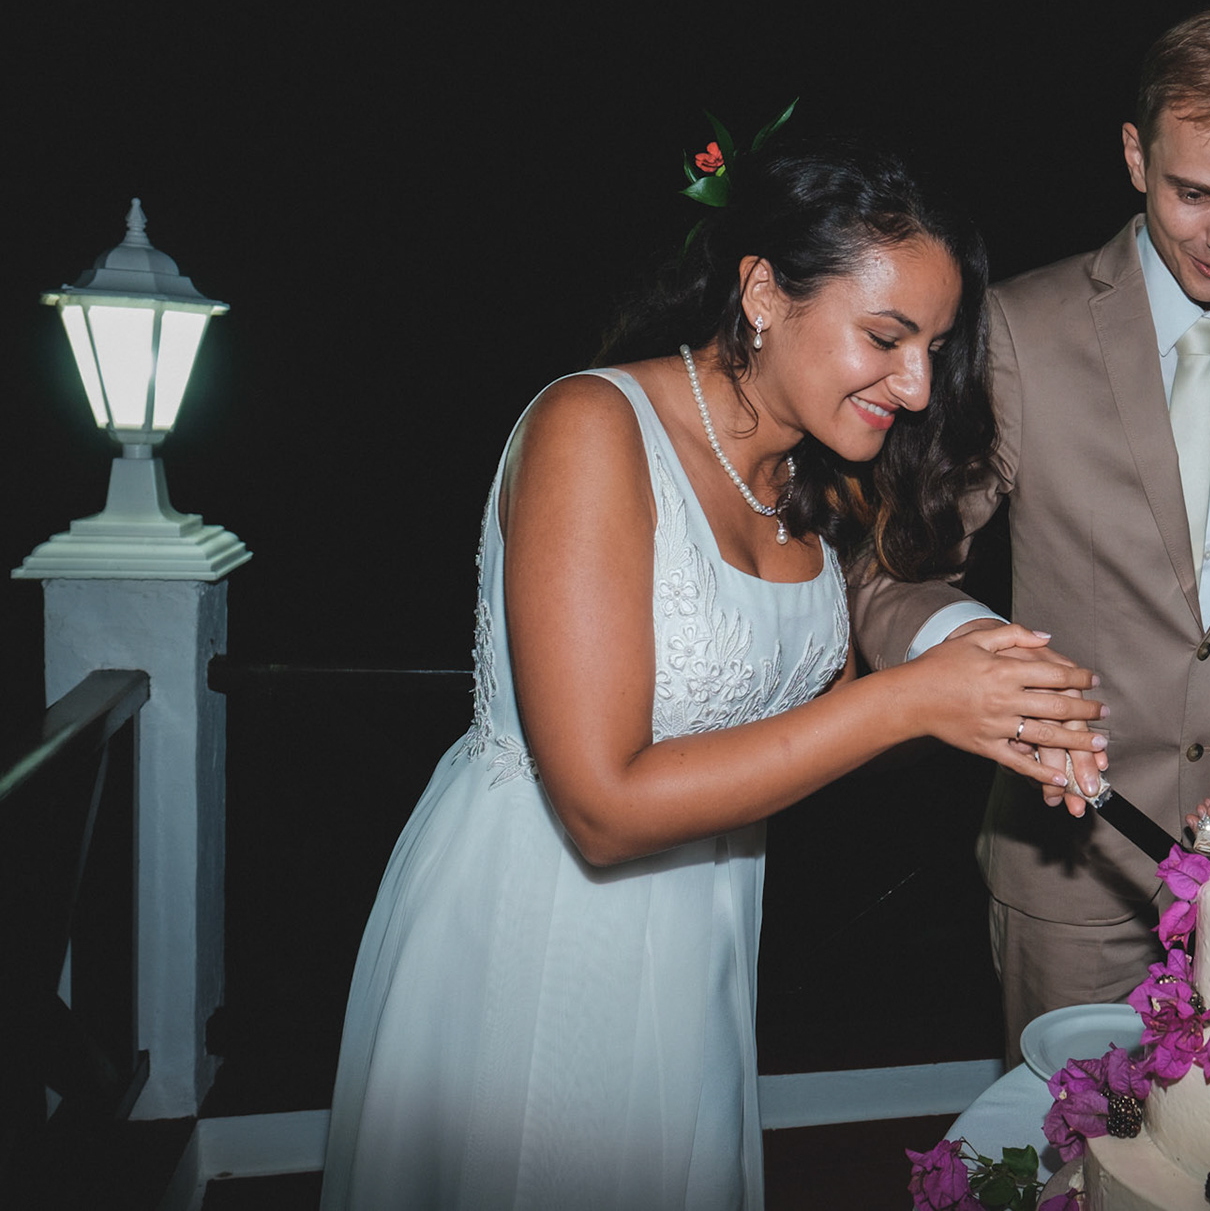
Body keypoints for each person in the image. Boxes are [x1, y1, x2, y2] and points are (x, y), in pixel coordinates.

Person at [318, 137, 1108, 1211]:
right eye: (885, 337)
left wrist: (993, 709)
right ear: (764, 293)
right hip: (540, 933)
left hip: (706, 934)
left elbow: (809, 720)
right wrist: (909, 701)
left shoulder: (808, 478)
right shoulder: (592, 428)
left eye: (934, 346)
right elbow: (602, 807)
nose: (919, 384)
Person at [849, 1, 1210, 1064]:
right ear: (1136, 156)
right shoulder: (1020, 328)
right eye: (1194, 194)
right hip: (1070, 874)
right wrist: (988, 662)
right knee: (1067, 1143)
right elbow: (893, 572)